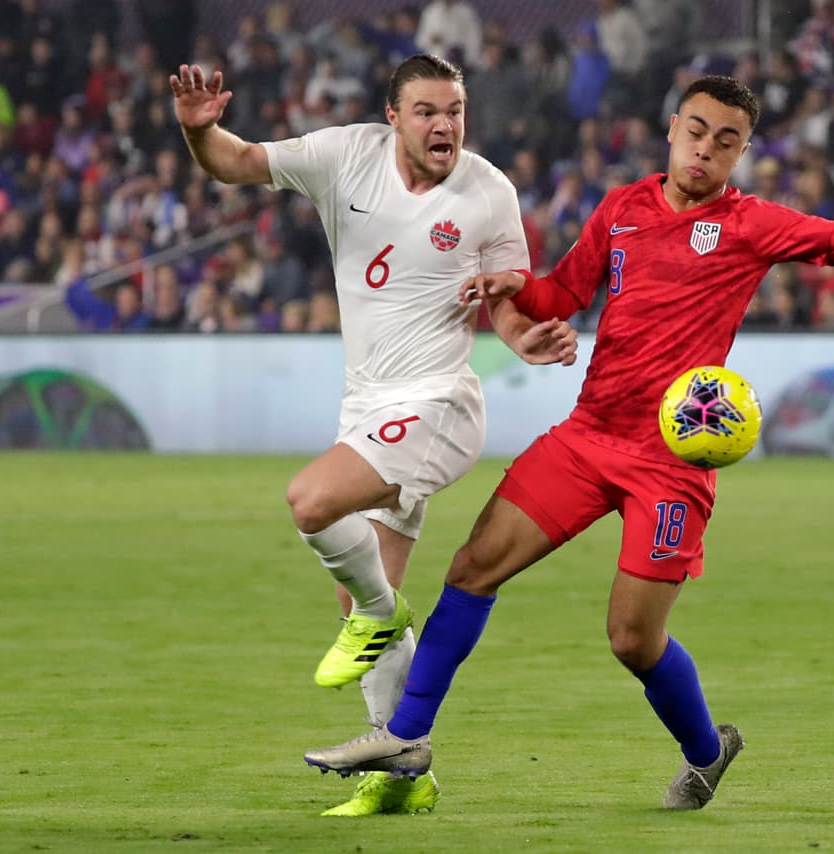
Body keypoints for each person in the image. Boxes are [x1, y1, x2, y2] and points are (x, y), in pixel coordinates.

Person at [302, 75, 834, 810]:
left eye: (726, 141)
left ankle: (708, 751)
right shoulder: (622, 210)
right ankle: (407, 737)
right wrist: (512, 286)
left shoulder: (750, 225)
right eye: (697, 132)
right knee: (472, 567)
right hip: (589, 436)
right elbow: (563, 294)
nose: (706, 150)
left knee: (632, 639)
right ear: (674, 129)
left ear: (741, 153)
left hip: (671, 466)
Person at [169, 53, 579, 816]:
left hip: (440, 404)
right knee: (355, 592)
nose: (445, 125)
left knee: (311, 502)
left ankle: (381, 617)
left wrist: (526, 339)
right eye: (427, 111)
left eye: (454, 111)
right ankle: (402, 772)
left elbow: (506, 299)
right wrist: (199, 132)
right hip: (367, 405)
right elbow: (236, 161)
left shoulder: (489, 192)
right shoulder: (343, 156)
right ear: (393, 118)